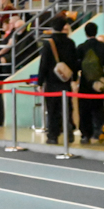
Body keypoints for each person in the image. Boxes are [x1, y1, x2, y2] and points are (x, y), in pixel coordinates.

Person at [37, 16, 79, 145]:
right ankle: (69, 132)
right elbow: (74, 63)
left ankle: (53, 135)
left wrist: (40, 81)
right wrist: (75, 78)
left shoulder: (49, 43)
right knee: (66, 108)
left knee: (53, 109)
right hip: (65, 81)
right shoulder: (70, 43)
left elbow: (43, 64)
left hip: (51, 81)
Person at [75, 22, 104, 144]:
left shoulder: (81, 47)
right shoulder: (103, 47)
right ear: (96, 32)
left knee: (84, 110)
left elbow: (77, 65)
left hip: (85, 83)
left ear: (85, 33)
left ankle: (86, 134)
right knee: (98, 109)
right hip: (98, 83)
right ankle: (100, 132)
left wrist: (75, 77)